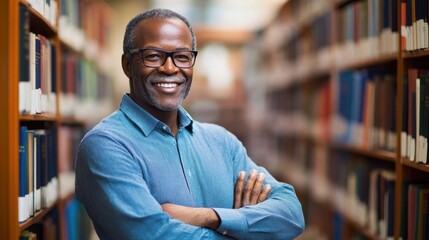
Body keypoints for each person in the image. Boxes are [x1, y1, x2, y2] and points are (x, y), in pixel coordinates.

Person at [75, 8, 304, 240]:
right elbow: (154, 235)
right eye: (153, 56)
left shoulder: (222, 142)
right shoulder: (106, 145)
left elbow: (291, 214)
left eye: (182, 57)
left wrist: (209, 217)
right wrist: (247, 229)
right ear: (127, 65)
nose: (170, 68)